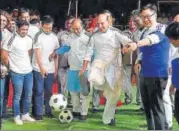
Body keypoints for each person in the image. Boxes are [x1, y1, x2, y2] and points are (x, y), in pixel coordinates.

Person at [123, 4, 170, 130]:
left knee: (157, 107)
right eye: (143, 17)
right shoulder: (144, 31)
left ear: (155, 15)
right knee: (147, 107)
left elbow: (152, 39)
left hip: (158, 73)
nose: (145, 19)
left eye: (148, 16)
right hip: (145, 73)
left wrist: (136, 44)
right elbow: (143, 51)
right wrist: (138, 61)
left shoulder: (162, 27)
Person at [79, 13, 132, 125]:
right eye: (98, 23)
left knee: (113, 96)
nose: (100, 25)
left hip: (115, 67)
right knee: (94, 74)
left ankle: (108, 119)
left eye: (102, 23)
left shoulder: (116, 33)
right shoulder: (94, 35)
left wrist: (126, 48)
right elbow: (88, 53)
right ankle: (89, 83)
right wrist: (84, 68)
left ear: (109, 22)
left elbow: (129, 42)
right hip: (99, 63)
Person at [56, 18, 91, 120]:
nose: (76, 31)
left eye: (78, 28)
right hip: (72, 68)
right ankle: (76, 110)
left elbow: (93, 52)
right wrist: (56, 52)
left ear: (82, 26)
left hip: (85, 69)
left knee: (84, 92)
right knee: (73, 91)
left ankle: (84, 113)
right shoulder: (70, 36)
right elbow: (66, 47)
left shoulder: (88, 37)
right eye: (74, 29)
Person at [2, 20, 35, 125]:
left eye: (26, 29)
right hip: (16, 72)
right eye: (23, 29)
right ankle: (16, 116)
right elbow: (3, 55)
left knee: (28, 94)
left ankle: (25, 114)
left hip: (28, 72)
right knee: (17, 96)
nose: (24, 31)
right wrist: (10, 67)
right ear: (17, 28)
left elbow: (29, 53)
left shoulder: (29, 39)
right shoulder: (11, 38)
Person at [32, 15, 59, 120]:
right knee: (38, 91)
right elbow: (37, 54)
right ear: (42, 25)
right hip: (38, 69)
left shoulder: (54, 37)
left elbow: (56, 54)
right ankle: (38, 113)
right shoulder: (37, 36)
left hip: (51, 69)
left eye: (50, 28)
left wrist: (56, 69)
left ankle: (48, 111)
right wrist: (41, 68)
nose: (48, 30)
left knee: (48, 92)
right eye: (46, 27)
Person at [165, 22, 179, 125]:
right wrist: (173, 84)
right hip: (177, 90)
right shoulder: (176, 50)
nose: (170, 41)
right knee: (177, 114)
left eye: (171, 38)